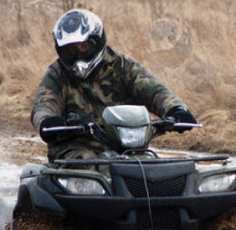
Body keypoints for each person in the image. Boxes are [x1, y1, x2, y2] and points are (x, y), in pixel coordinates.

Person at [31, 9, 197, 161]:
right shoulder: (57, 74)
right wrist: (48, 121)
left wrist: (176, 109)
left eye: (83, 47)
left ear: (96, 41)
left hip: (127, 148)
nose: (77, 55)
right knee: (91, 165)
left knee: (152, 170)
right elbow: (44, 104)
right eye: (70, 50)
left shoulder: (121, 66)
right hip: (75, 149)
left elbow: (152, 89)